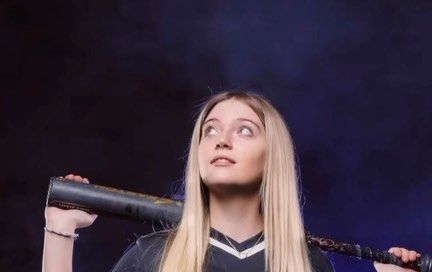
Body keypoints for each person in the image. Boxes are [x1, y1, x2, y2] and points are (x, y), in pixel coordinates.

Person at [42, 90, 420, 272]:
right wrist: (59, 232)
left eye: (244, 130)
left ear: (272, 156)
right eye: (210, 130)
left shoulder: (308, 263)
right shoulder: (152, 255)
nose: (221, 139)